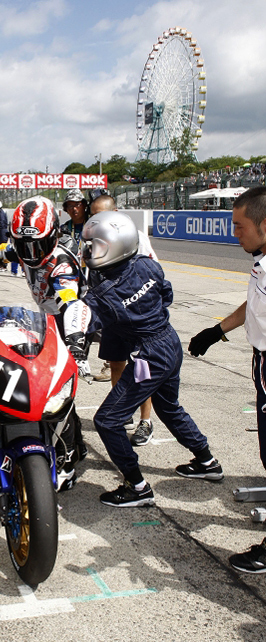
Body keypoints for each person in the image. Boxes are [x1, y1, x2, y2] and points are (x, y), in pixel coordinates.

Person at [64, 210, 223, 507]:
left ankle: (136, 486)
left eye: (93, 245)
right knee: (169, 406)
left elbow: (79, 316)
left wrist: (74, 345)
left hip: (148, 354)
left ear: (111, 246)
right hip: (169, 341)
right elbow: (167, 296)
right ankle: (207, 460)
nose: (87, 251)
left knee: (108, 420)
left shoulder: (105, 294)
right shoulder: (148, 264)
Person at [0, 195, 88, 490]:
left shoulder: (61, 264)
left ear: (52, 236)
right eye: (23, 244)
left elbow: (72, 302)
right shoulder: (23, 247)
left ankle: (69, 457)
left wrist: (77, 343)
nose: (28, 253)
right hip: (46, 318)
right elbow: (0, 253)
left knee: (59, 394)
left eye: (36, 245)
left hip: (72, 321)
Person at [188, 186, 266, 573]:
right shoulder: (263, 261)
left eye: (240, 227)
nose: (235, 234)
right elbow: (253, 304)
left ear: (264, 224)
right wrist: (216, 331)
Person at [89, 194, 158, 445]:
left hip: (134, 316)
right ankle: (122, 412)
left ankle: (146, 421)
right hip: (111, 315)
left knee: (141, 368)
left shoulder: (135, 236)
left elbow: (153, 271)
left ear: (115, 212)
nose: (97, 219)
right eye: (93, 215)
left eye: (101, 214)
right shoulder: (91, 237)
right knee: (116, 364)